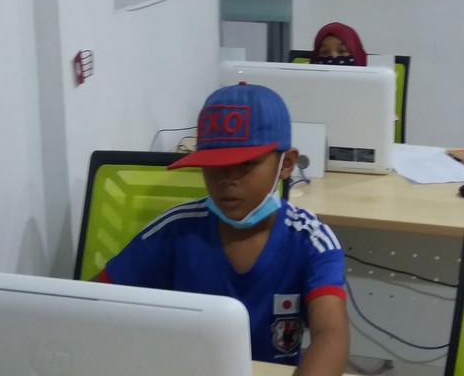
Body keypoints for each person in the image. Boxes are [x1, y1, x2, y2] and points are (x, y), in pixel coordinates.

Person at [92, 82, 349, 376]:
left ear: (286, 164)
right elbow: (91, 302)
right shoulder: (174, 230)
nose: (227, 179)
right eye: (214, 165)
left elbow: (331, 334)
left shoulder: (311, 241)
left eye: (246, 164)